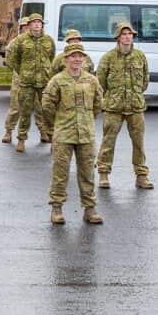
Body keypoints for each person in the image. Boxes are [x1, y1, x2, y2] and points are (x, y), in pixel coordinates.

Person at [41, 42, 104, 225]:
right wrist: (56, 126)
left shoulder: (91, 80)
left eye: (80, 56)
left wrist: (87, 120)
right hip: (64, 134)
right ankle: (57, 208)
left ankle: (89, 209)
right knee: (60, 173)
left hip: (86, 134)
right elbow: (47, 106)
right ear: (66, 59)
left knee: (87, 173)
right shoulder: (57, 81)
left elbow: (98, 104)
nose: (77, 59)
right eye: (73, 56)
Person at [96, 22, 153, 190]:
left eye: (130, 34)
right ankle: (104, 174)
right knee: (108, 141)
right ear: (118, 37)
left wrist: (134, 94)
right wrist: (111, 98)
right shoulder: (108, 58)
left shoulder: (140, 57)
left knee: (138, 143)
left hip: (135, 107)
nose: (128, 37)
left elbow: (145, 81)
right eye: (124, 34)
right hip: (114, 108)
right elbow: (100, 83)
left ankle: (141, 176)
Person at [5, 12, 55, 152]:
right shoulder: (21, 40)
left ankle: (52, 139)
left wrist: (47, 71)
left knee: (47, 111)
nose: (37, 25)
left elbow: (51, 58)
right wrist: (22, 71)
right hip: (27, 82)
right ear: (29, 25)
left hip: (44, 82)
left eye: (39, 22)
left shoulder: (48, 40)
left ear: (42, 25)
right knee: (24, 111)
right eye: (34, 22)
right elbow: (12, 59)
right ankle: (21, 139)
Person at [1, 16, 30, 144]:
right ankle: (8, 131)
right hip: (19, 78)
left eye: (29, 26)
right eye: (24, 26)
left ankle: (44, 131)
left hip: (36, 80)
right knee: (15, 107)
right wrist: (19, 70)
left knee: (40, 108)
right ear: (21, 28)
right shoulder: (16, 42)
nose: (27, 29)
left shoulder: (40, 41)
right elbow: (9, 59)